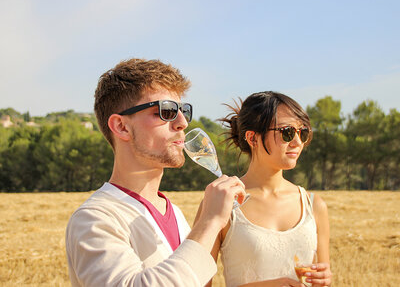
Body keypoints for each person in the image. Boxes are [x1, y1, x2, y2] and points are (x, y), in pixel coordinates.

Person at [65, 58, 246, 287]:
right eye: (167, 111)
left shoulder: (175, 213)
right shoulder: (94, 219)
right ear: (121, 126)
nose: (182, 122)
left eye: (183, 110)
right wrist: (210, 222)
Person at [196, 91, 332, 287]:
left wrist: (324, 280)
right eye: (287, 132)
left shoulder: (314, 205)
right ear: (253, 138)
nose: (297, 142)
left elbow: (321, 278)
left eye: (303, 132)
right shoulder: (220, 204)